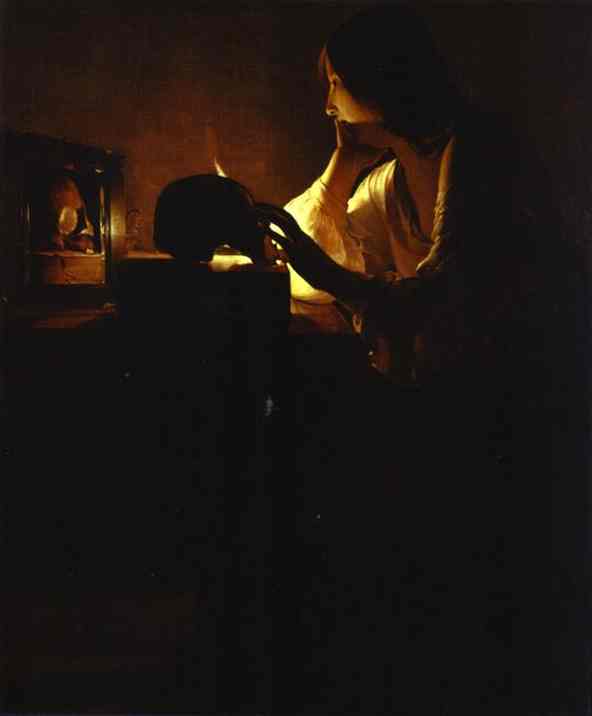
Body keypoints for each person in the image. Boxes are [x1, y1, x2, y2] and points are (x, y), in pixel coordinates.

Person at [255, 5, 588, 714]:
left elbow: (441, 288)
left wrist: (329, 270)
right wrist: (342, 163)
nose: (327, 102)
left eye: (337, 82)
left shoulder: (479, 146)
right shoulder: (385, 178)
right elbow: (312, 273)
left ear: (381, 79)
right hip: (439, 395)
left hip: (513, 403)